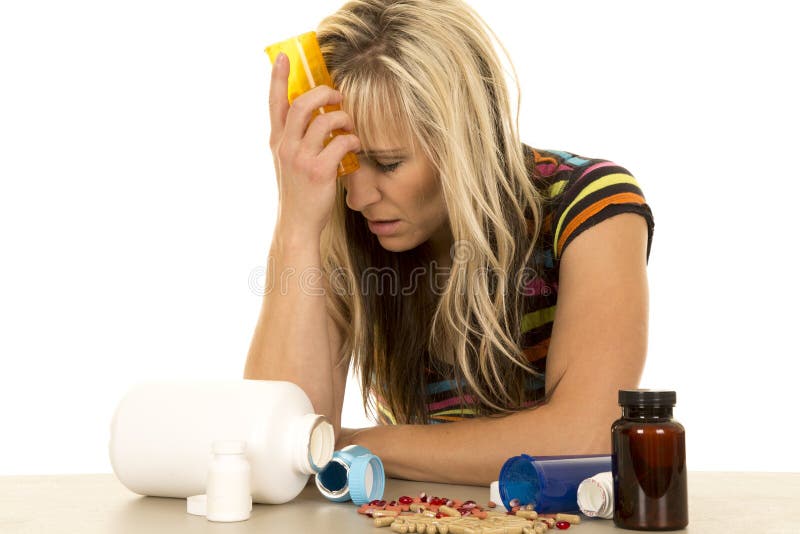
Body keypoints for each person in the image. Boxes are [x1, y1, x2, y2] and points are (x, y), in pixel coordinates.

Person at [245, 0, 654, 487]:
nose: (357, 197)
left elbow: (584, 436)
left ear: (466, 139)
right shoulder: (344, 224)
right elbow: (275, 444)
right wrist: (296, 222)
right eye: (347, 166)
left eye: (389, 163)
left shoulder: (590, 205)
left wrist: (358, 442)